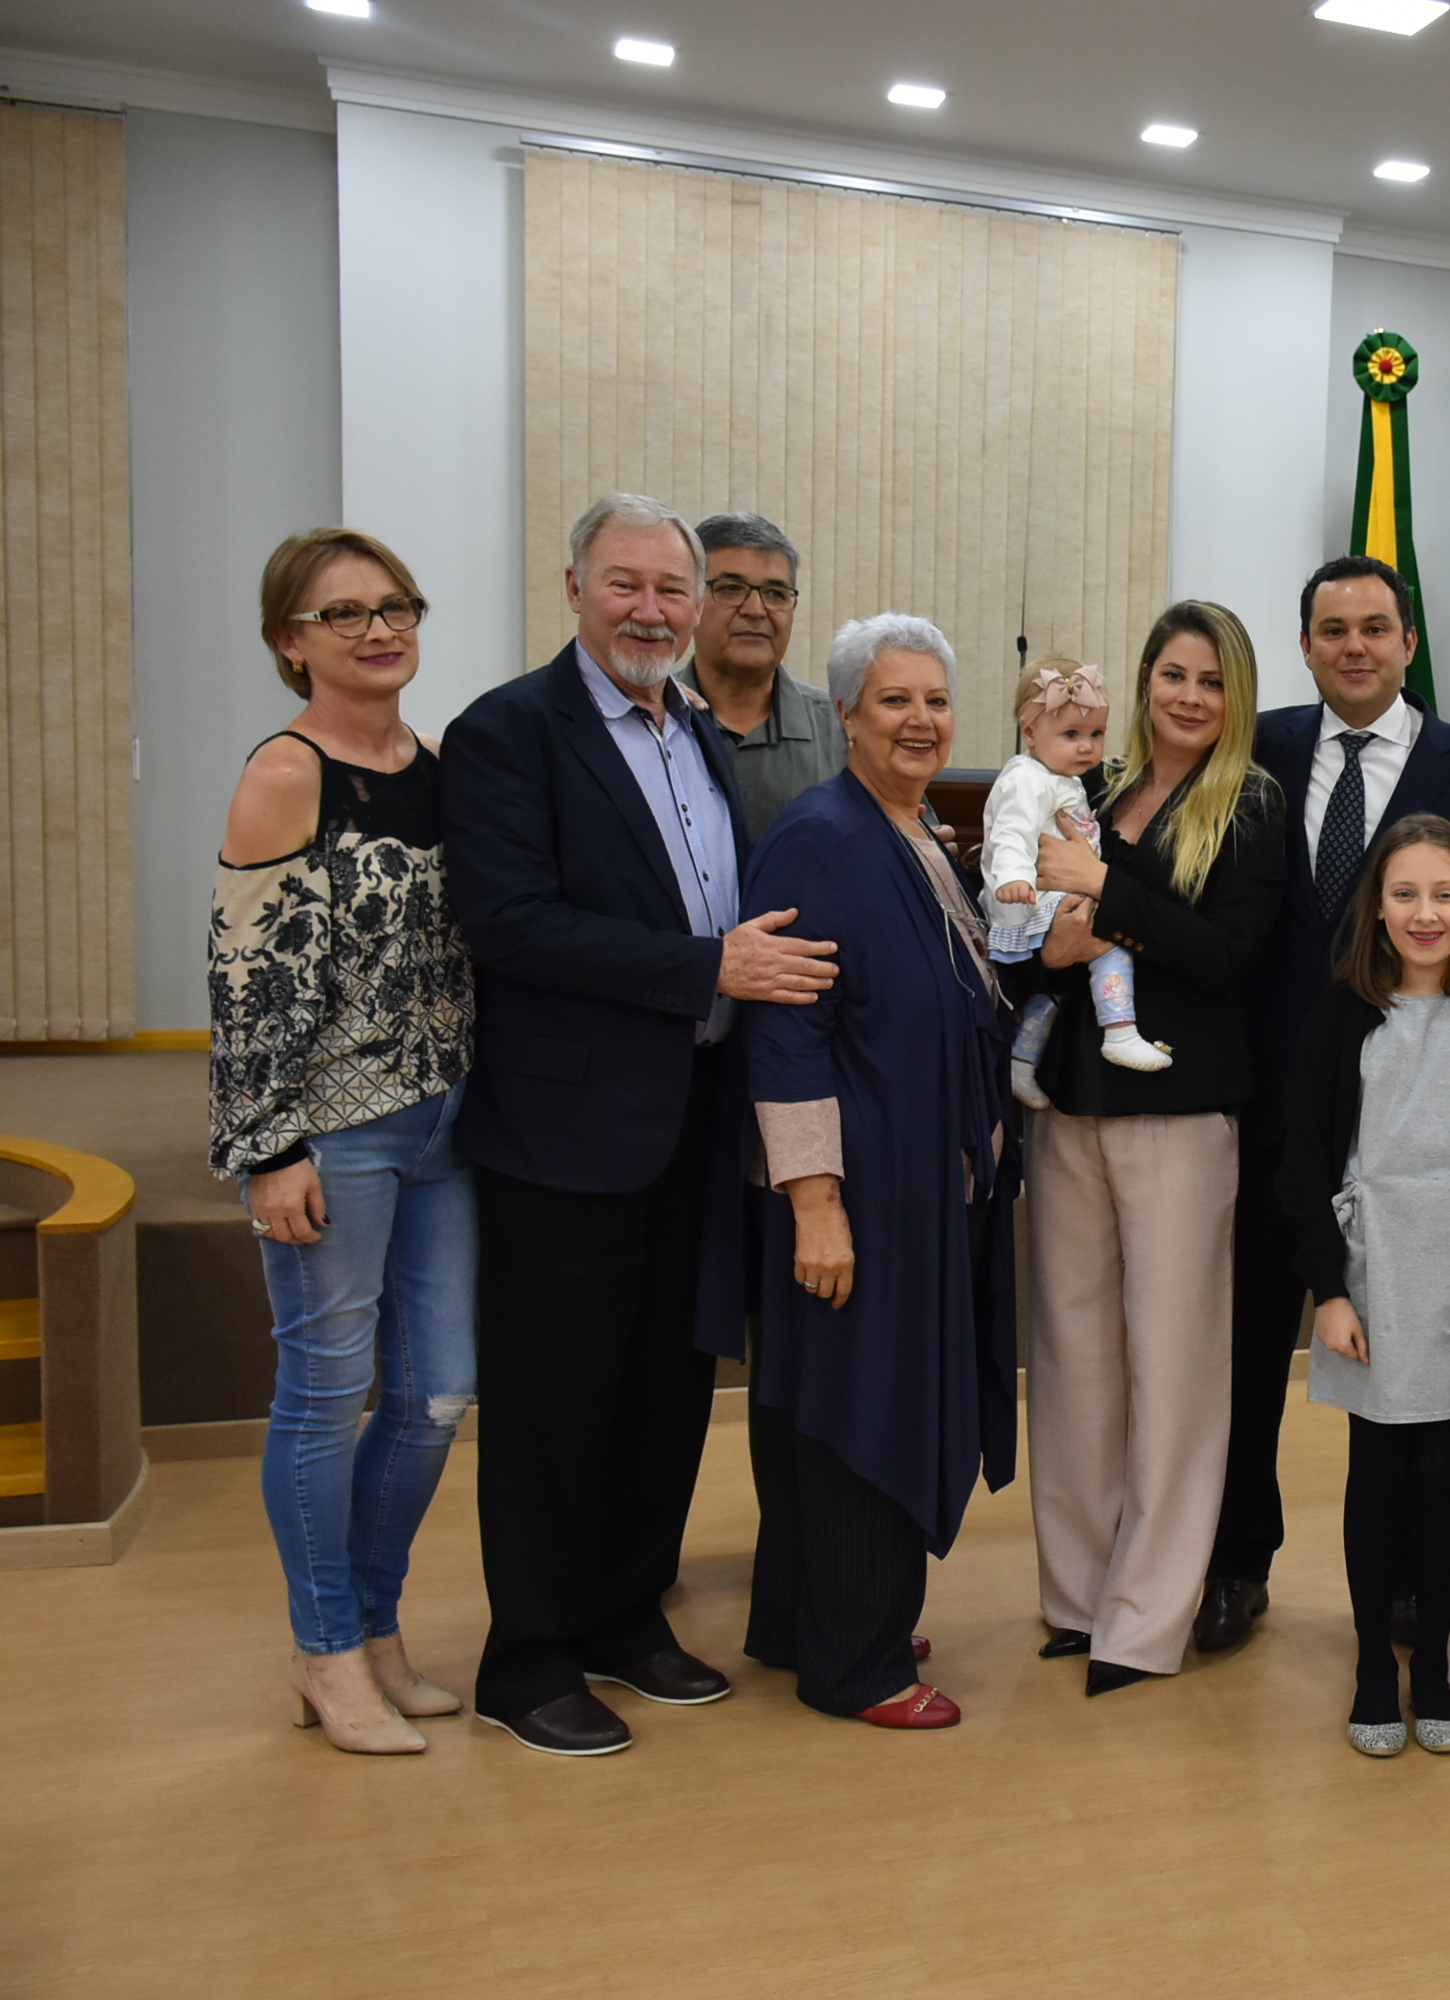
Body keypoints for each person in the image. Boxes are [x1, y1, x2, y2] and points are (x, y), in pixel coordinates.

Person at [442, 492, 838, 1757]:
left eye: (673, 589)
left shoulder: (693, 730)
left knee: (665, 1391)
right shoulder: (509, 731)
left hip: (694, 1121)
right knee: (554, 1401)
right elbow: (508, 922)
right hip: (566, 1129)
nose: (653, 611)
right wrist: (705, 967)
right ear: (574, 588)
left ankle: (624, 1613)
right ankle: (528, 1657)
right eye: (628, 584)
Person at [1199, 555, 1450, 1656]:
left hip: (1412, 1128)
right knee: (1246, 1351)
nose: (1354, 646)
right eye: (1332, 629)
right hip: (1265, 1109)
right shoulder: (1253, 749)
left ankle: (1403, 1584)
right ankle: (1236, 1561)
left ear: (1407, 642)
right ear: (1303, 644)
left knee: (1412, 1361)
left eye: (1375, 627)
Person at [714, 613, 1016, 1732]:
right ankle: (861, 1664)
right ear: (844, 714)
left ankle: (811, 1620)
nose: (920, 720)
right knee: (861, 1407)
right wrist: (817, 1202)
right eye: (894, 700)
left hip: (913, 1178)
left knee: (830, 1401)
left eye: (935, 700)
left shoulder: (911, 828)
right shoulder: (823, 836)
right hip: (860, 1187)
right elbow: (786, 1026)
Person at [210, 527, 477, 1755]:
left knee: (434, 1396)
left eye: (396, 605)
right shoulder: (286, 771)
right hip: (334, 1132)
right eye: (345, 613)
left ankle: (375, 1626)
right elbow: (247, 978)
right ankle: (325, 1650)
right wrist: (268, 1149)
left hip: (448, 1122)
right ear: (289, 640)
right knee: (324, 1397)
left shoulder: (440, 764)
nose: (380, 630)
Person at [1016, 599, 1286, 1696]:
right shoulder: (1093, 784)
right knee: (1073, 1362)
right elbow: (1037, 934)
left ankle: (1144, 1617)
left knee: (1173, 1368)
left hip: (1183, 1109)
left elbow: (1226, 955)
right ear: (1143, 681)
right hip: (1069, 1104)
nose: (1189, 695)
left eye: (1212, 680)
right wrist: (1055, 933)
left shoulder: (1252, 801)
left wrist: (1104, 893)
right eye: (1174, 674)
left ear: (1237, 696)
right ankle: (1079, 1597)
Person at [1281, 817, 1450, 1757]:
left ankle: (1431, 1666)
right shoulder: (1341, 1013)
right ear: (1377, 908)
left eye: (1445, 894)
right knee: (1375, 1467)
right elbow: (1303, 1161)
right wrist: (1329, 1289)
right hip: (1370, 1267)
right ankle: (1372, 1667)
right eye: (1404, 894)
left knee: (1441, 1471)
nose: (1425, 913)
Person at [983, 657, 1170, 1101]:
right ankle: (1120, 1031)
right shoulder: (1026, 780)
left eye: (1096, 734)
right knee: (1111, 941)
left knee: (1061, 990)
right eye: (1071, 735)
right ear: (1030, 733)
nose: (1087, 747)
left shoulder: (1062, 777)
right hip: (1031, 899)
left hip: (1053, 894)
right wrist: (1013, 876)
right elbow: (1010, 832)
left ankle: (1022, 1061)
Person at [676, 512, 845, 847]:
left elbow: (912, 838)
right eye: (731, 588)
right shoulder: (649, 721)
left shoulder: (845, 729)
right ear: (691, 601)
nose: (755, 610)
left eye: (775, 593)